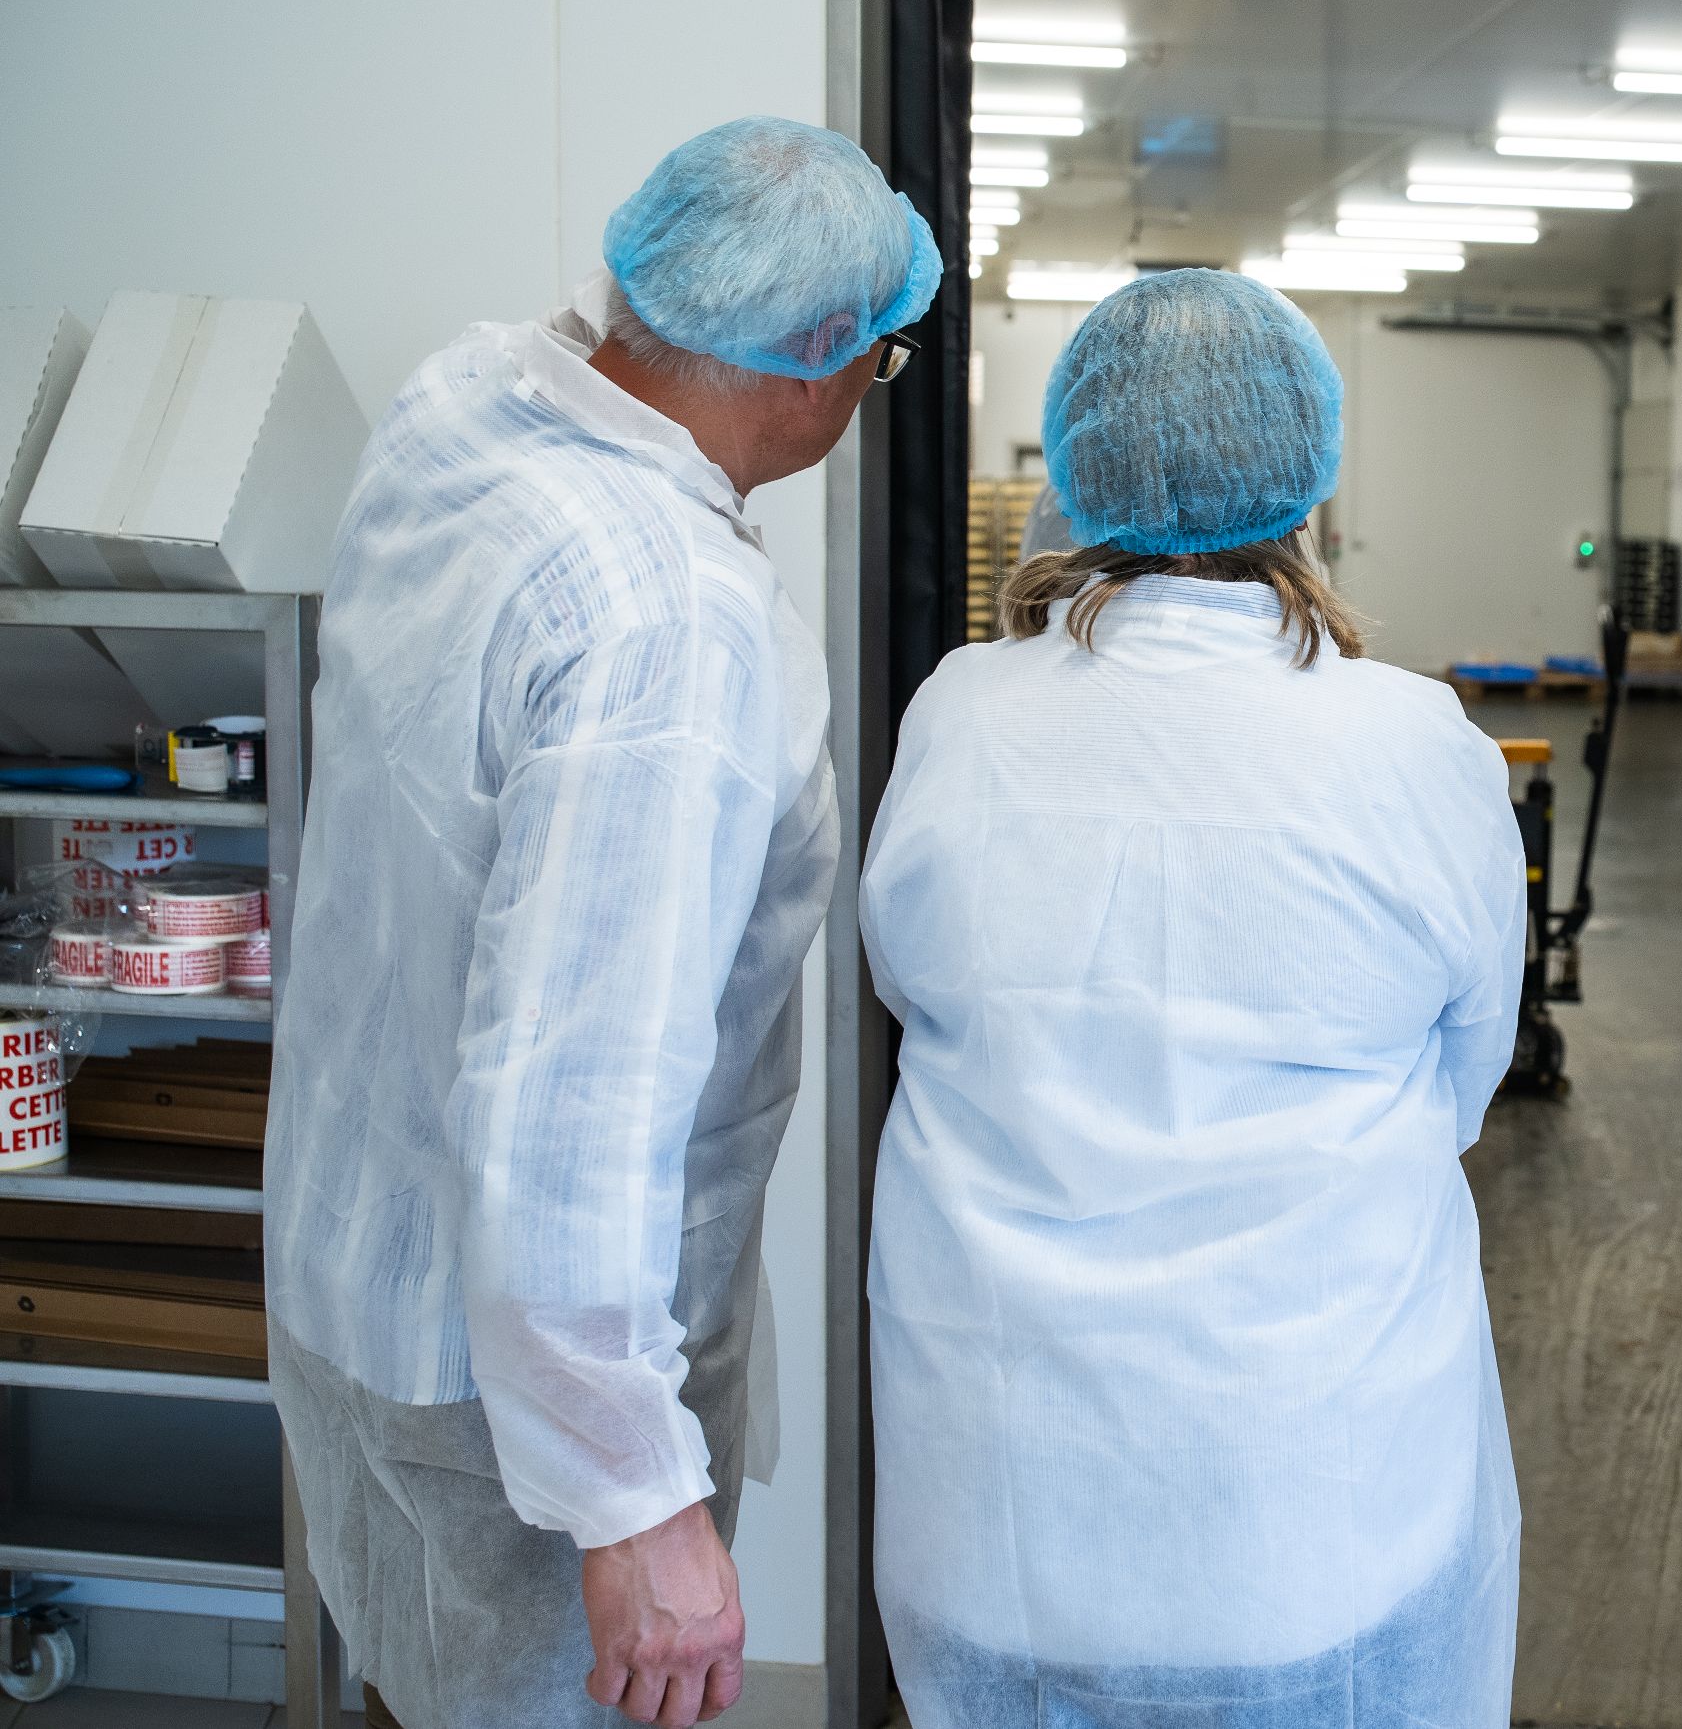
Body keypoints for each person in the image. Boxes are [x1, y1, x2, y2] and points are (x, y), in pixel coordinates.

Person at [268, 118, 935, 1729]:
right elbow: (574, 1094)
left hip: (352, 1261)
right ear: (817, 361)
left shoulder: (464, 401)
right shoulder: (667, 627)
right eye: (883, 358)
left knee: (406, 1683)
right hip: (513, 1389)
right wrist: (634, 1502)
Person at [859, 268, 1526, 1728]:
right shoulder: (1412, 743)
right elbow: (1466, 1077)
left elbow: (904, 989)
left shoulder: (962, 711)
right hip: (1309, 1489)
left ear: (1080, 466)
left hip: (1001, 1481)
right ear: (1308, 474)